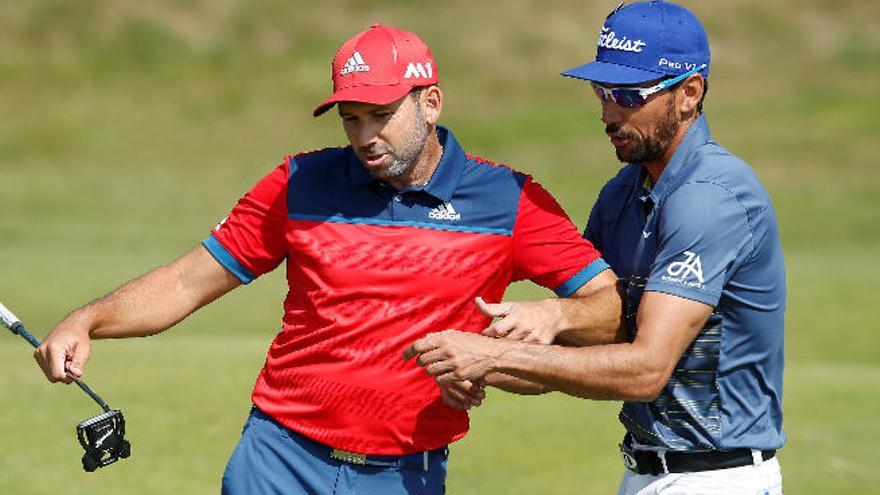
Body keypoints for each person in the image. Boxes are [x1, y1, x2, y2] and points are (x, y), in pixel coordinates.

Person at [33, 24, 623, 495]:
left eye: (380, 114)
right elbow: (189, 281)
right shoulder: (300, 182)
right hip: (278, 459)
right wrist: (88, 320)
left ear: (431, 102)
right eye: (351, 117)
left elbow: (609, 307)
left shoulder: (508, 200)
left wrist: (552, 318)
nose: (365, 135)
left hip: (404, 475)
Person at [405, 2, 786, 494]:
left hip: (719, 479)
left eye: (628, 94)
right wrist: (478, 360)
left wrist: (503, 350)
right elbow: (580, 353)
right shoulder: (622, 194)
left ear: (690, 93)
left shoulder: (713, 198)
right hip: (646, 473)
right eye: (601, 91)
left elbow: (645, 368)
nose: (608, 112)